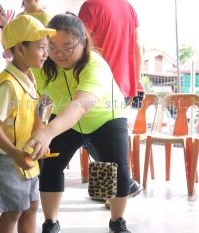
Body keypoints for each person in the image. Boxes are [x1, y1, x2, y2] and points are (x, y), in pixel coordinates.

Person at [24, 13, 132, 233]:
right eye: (51, 47)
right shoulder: (44, 66)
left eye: (67, 47)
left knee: (113, 169)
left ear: (83, 41)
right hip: (67, 120)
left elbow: (81, 106)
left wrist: (47, 133)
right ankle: (50, 222)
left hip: (105, 118)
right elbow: (39, 99)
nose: (59, 54)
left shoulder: (95, 66)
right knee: (50, 166)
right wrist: (39, 128)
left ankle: (117, 221)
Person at [0, 15, 56, 233]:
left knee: (31, 206)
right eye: (41, 48)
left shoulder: (29, 78)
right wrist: (15, 153)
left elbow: (34, 112)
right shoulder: (7, 84)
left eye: (47, 48)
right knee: (13, 211)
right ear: (20, 48)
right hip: (7, 157)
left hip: (23, 155)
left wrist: (42, 131)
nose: (46, 54)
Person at [78, 0, 143, 207]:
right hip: (122, 82)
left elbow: (78, 44)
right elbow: (137, 44)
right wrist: (136, 79)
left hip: (98, 84)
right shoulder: (127, 6)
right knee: (108, 136)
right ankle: (111, 190)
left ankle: (125, 183)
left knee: (88, 133)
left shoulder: (91, 7)